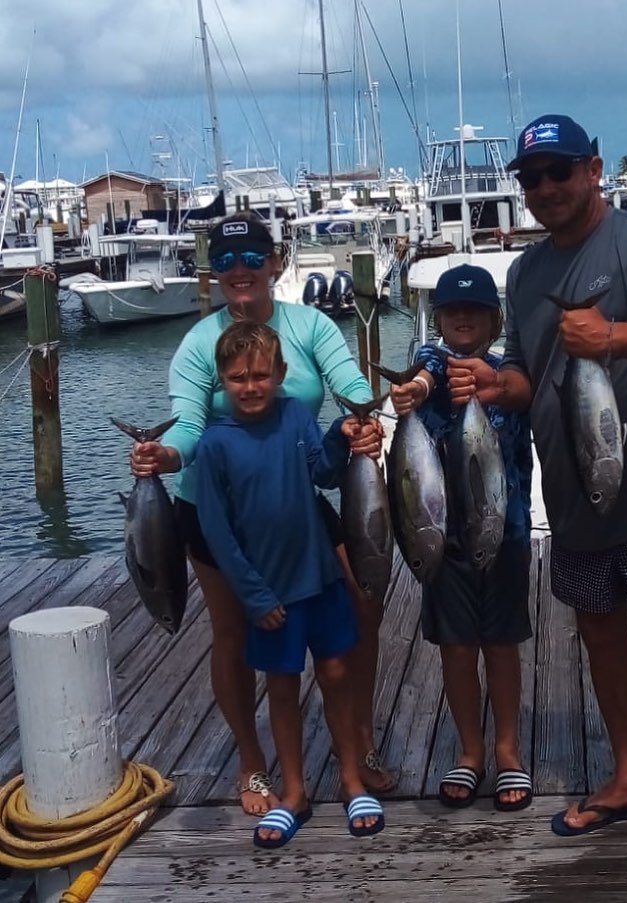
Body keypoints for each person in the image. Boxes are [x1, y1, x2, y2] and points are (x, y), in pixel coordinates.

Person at [445, 114, 627, 885]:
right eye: (530, 178)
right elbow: (530, 375)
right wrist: (494, 385)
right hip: (576, 497)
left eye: (558, 171)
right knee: (602, 636)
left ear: (594, 169)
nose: (544, 188)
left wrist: (612, 336)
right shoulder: (525, 273)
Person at [129, 212, 395, 819]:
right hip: (214, 506)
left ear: (274, 262)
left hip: (296, 497)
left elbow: (350, 382)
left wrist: (363, 418)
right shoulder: (201, 343)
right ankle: (253, 763)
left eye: (251, 257)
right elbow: (191, 425)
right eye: (224, 261)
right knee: (235, 633)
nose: (239, 271)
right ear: (212, 271)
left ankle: (359, 740)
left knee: (364, 603)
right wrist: (166, 455)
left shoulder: (309, 325)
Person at [195, 320, 384, 845]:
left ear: (280, 374)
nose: (251, 386)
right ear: (222, 381)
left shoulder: (295, 415)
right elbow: (217, 531)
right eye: (238, 378)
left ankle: (350, 782)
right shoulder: (215, 444)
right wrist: (255, 597)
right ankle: (295, 791)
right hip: (272, 596)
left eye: (260, 375)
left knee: (338, 675)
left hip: (320, 579)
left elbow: (323, 472)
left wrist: (340, 435)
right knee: (282, 689)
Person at [389, 264, 534, 812]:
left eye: (474, 311)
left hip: (506, 531)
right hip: (442, 542)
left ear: (496, 321)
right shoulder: (428, 372)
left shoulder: (506, 380)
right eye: (452, 311)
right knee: (456, 647)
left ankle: (507, 749)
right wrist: (416, 389)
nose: (464, 318)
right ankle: (470, 751)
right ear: (439, 319)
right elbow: (425, 371)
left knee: (501, 643)